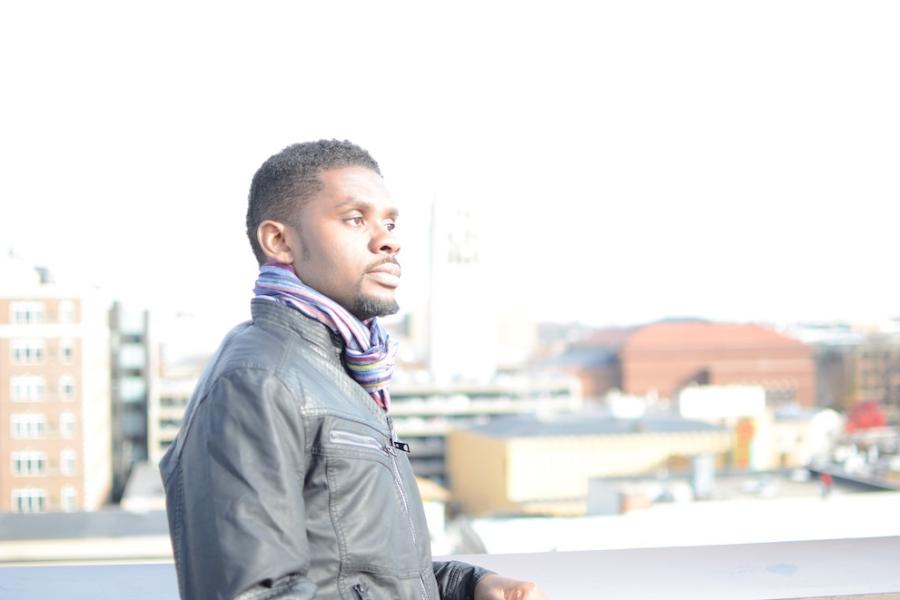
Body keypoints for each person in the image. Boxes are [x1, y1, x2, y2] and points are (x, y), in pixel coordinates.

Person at [160, 140, 545, 600]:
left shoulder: (343, 375)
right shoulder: (258, 379)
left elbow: (357, 576)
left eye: (389, 221)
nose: (389, 239)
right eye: (355, 218)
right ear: (280, 241)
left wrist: (468, 585)